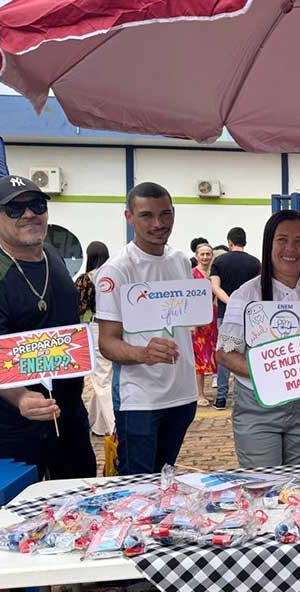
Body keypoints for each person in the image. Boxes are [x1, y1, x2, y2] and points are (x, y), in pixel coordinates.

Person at [0, 174, 95, 479]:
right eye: (15, 209)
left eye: (36, 205)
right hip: (12, 421)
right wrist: (20, 397)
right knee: (24, 515)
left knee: (80, 499)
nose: (29, 214)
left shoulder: (53, 257)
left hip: (66, 410)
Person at [95, 182, 198, 475]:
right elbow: (107, 342)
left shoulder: (180, 261)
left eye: (165, 215)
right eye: (146, 216)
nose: (158, 224)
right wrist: (144, 353)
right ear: (129, 217)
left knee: (165, 480)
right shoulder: (117, 269)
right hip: (140, 399)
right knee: (137, 486)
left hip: (182, 394)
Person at [216, 210, 300, 467]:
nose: (291, 248)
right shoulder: (246, 294)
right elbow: (224, 353)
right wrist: (270, 371)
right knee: (263, 487)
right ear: (268, 244)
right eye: (282, 239)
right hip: (257, 406)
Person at [209, 227, 260, 409]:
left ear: (229, 242)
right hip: (253, 315)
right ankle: (252, 393)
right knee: (249, 354)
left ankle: (221, 397)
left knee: (226, 353)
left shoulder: (219, 261)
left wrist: (232, 303)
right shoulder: (255, 262)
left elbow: (215, 287)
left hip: (226, 314)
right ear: (244, 242)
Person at [75, 241, 115, 436]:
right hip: (119, 327)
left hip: (98, 325)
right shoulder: (117, 274)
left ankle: (113, 426)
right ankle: (96, 423)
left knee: (101, 379)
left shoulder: (86, 279)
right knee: (108, 375)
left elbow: (79, 308)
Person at [191, 243, 218, 407]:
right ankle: (199, 393)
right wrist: (191, 323)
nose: (205, 257)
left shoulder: (215, 274)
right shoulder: (192, 274)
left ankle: (217, 391)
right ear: (196, 256)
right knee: (199, 359)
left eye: (208, 254)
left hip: (213, 319)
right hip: (198, 320)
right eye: (202, 254)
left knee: (214, 356)